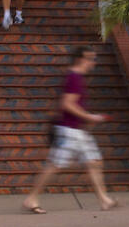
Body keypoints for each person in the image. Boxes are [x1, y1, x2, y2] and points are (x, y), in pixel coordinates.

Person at [23, 47, 118, 213]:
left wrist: (88, 118)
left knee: (94, 162)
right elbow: (66, 104)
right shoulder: (74, 77)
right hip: (69, 131)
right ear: (81, 59)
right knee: (55, 165)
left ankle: (104, 200)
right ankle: (31, 198)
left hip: (78, 131)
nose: (93, 62)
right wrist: (90, 117)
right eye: (91, 58)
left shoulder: (77, 77)